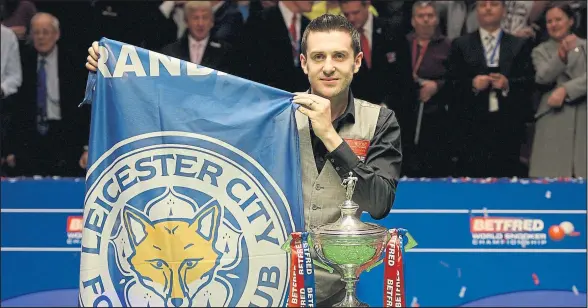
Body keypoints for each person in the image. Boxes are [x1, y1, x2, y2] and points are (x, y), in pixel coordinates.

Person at [85, 13, 402, 306]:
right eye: (319, 57)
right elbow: (185, 110)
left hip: (337, 292)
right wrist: (119, 73)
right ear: (304, 63)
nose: (328, 66)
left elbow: (379, 203)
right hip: (267, 289)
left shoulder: (380, 121)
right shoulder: (272, 117)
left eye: (339, 56)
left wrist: (331, 137)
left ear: (357, 62)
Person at [445, 0, 535, 178]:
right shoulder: (460, 44)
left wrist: (507, 84)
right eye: (482, 5)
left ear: (503, 11)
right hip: (470, 128)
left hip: (507, 127)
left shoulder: (519, 45)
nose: (487, 8)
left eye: (493, 4)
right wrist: (472, 83)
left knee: (506, 182)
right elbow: (450, 83)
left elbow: (529, 82)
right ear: (476, 11)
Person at [529, 3, 586, 178]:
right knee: (550, 178)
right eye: (549, 21)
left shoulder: (585, 46)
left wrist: (566, 90)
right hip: (553, 120)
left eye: (558, 20)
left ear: (570, 21)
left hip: (583, 118)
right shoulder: (540, 51)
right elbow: (542, 77)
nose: (554, 24)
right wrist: (560, 57)